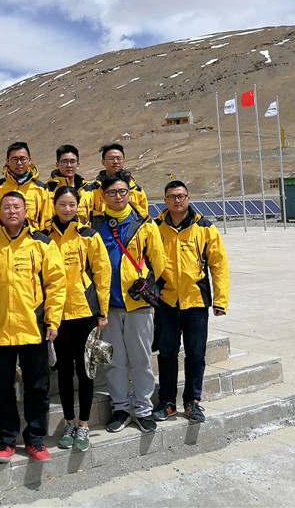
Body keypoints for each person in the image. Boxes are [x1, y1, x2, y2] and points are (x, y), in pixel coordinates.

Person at [0, 191, 66, 462]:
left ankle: (35, 438)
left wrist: (52, 320)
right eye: (7, 207)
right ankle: (6, 439)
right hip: (0, 329)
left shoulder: (41, 243)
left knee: (37, 386)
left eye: (17, 206)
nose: (12, 211)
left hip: (33, 327)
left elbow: (56, 283)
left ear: (26, 211)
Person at [91, 170, 165, 434]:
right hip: (108, 307)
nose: (118, 196)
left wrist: (146, 286)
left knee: (141, 360)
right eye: (112, 192)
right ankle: (120, 409)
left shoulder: (145, 224)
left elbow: (159, 263)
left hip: (139, 306)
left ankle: (143, 409)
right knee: (114, 361)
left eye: (122, 191)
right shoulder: (95, 225)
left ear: (129, 194)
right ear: (103, 196)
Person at [153, 180, 230, 424]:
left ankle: (192, 402)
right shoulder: (155, 228)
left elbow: (219, 265)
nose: (177, 200)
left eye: (181, 196)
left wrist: (220, 300)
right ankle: (167, 402)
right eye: (172, 196)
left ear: (188, 198)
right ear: (165, 201)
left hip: (196, 301)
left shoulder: (205, 228)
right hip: (166, 301)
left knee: (196, 354)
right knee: (167, 353)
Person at [45, 186, 111, 451]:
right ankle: (69, 422)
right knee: (63, 372)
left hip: (84, 312)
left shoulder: (89, 235)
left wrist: (102, 311)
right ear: (54, 205)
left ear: (78, 206)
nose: (67, 209)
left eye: (72, 204)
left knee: (86, 371)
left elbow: (102, 273)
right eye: (62, 204)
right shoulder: (44, 237)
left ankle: (83, 425)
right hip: (57, 315)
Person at [0, 141, 51, 231]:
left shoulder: (40, 188)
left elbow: (46, 219)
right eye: (14, 159)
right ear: (7, 161)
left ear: (29, 161)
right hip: (4, 236)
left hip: (32, 236)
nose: (19, 163)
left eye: (23, 159)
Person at [91, 143, 148, 217]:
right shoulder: (92, 190)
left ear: (123, 162)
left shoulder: (136, 190)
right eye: (111, 158)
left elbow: (143, 216)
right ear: (103, 162)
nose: (115, 161)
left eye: (119, 158)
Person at [45, 145, 93, 224]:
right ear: (57, 165)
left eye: (73, 162)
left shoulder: (86, 190)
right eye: (65, 162)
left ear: (78, 165)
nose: (69, 165)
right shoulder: (47, 190)